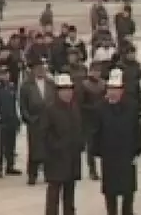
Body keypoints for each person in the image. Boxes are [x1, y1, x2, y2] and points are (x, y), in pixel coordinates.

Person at [91, 69, 141, 215]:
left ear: (122, 90)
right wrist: (97, 151)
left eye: (116, 89)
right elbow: (95, 132)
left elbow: (137, 130)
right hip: (109, 156)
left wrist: (137, 149)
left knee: (128, 190)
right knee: (110, 191)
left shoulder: (131, 106)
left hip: (127, 155)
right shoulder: (100, 108)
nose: (113, 92)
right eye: (111, 89)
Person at [41, 73, 84, 215]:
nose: (67, 93)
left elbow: (79, 129)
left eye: (69, 89)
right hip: (56, 158)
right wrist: (57, 146)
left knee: (70, 193)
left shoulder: (74, 108)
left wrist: (79, 144)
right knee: (54, 192)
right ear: (58, 91)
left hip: (72, 157)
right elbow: (44, 134)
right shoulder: (50, 109)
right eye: (64, 89)